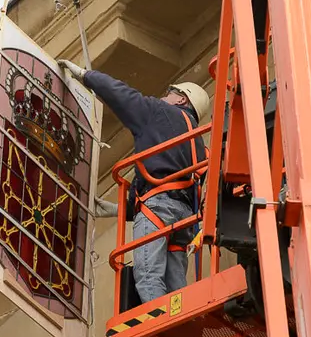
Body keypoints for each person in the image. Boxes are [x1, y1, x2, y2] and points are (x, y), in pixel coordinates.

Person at [58, 59, 210, 304]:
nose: (163, 97)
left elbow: (121, 95)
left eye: (169, 93)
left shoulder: (160, 113)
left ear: (182, 99)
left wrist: (86, 76)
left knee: (148, 274)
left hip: (158, 208)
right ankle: (178, 328)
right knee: (175, 287)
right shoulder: (199, 144)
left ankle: (157, 327)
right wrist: (120, 210)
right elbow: (174, 180)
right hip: (185, 221)